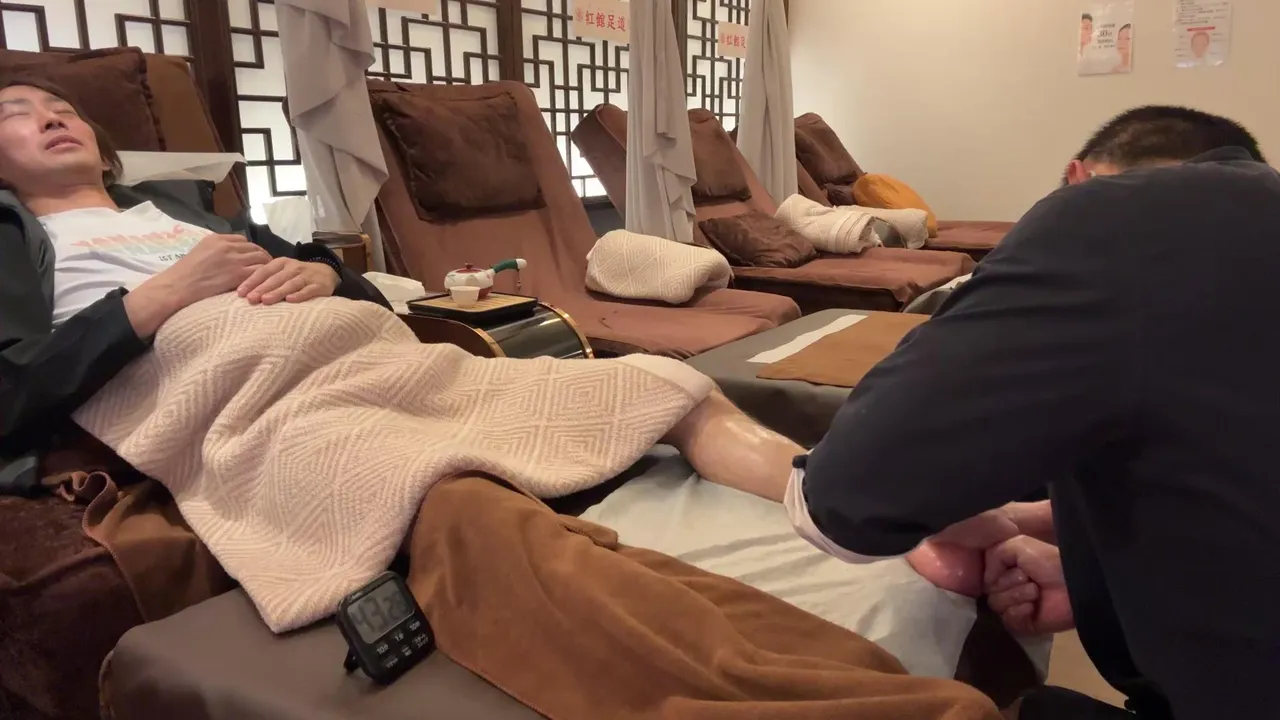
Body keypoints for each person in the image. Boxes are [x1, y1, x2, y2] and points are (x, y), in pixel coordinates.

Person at [0, 77, 803, 505]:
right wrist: (161, 295)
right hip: (259, 407)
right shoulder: (15, 239)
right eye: (19, 111)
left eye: (63, 107)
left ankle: (835, 505)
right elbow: (11, 390)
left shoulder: (183, 210)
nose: (53, 116)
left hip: (368, 362)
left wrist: (324, 274)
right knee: (456, 495)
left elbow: (358, 290)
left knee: (666, 384)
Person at [787, 105, 1277, 720]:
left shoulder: (1117, 215)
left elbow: (841, 501)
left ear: (1078, 178)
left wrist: (706, 424)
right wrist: (1092, 563)